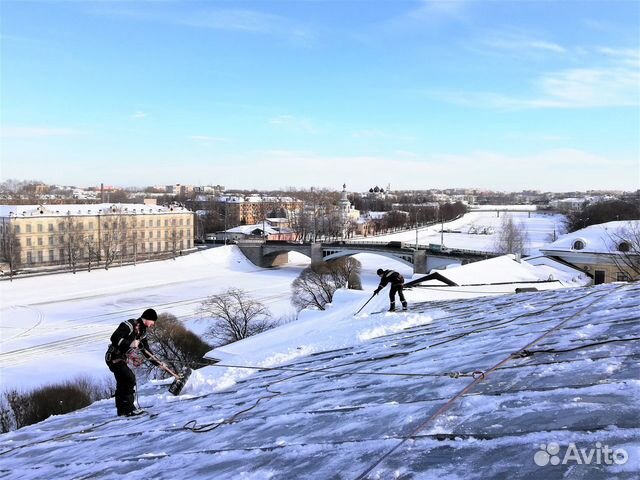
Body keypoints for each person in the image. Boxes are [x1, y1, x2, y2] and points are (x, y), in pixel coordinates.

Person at [105, 308, 162, 417]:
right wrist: (130, 343)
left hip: (121, 359)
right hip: (114, 357)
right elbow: (114, 337)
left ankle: (122, 411)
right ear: (148, 319)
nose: (153, 324)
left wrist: (158, 363)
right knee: (129, 379)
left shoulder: (143, 333)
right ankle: (129, 409)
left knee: (122, 383)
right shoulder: (130, 325)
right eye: (153, 321)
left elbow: (146, 351)